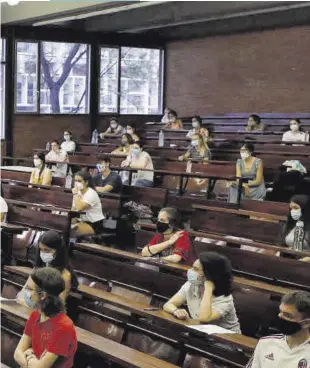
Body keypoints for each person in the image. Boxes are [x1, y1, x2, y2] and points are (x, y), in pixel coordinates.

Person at [14, 267, 77, 368]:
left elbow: (40, 367)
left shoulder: (64, 326)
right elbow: (17, 354)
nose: (26, 292)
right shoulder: (35, 315)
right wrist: (32, 360)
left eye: (29, 289)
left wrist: (29, 357)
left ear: (42, 295)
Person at [163, 252, 241, 332]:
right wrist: (176, 311)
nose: (190, 271)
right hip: (201, 334)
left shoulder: (225, 298)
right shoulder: (191, 285)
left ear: (209, 275)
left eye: (195, 269)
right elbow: (168, 304)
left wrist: (208, 289)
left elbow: (204, 318)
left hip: (227, 340)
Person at [246, 291, 310, 367]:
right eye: (280, 312)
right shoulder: (265, 343)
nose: (280, 316)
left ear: (306, 323)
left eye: (288, 316)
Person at [17, 230, 78, 305]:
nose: (43, 253)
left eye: (47, 250)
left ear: (58, 251)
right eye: (41, 250)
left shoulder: (65, 275)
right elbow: (25, 290)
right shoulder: (38, 268)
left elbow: (57, 304)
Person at [71, 171, 105, 235]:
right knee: (64, 227)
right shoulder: (77, 193)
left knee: (72, 230)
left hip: (93, 224)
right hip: (81, 221)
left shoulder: (91, 193)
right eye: (75, 181)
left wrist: (75, 193)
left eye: (79, 181)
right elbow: (73, 210)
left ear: (86, 182)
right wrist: (68, 222)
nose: (76, 183)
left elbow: (80, 208)